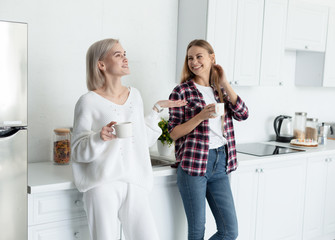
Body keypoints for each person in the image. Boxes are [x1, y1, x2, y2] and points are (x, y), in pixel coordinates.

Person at [71, 38, 187, 240]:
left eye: (124, 54)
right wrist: (99, 137)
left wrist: (157, 109)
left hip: (135, 181)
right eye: (118, 55)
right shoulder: (87, 101)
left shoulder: (135, 96)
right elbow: (77, 150)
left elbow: (142, 138)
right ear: (101, 64)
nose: (125, 58)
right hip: (102, 184)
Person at [168, 39, 249, 240]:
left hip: (220, 162)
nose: (194, 62)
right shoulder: (182, 91)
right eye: (190, 58)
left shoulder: (219, 90)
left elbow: (243, 114)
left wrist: (224, 83)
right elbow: (173, 133)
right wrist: (200, 116)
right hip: (194, 164)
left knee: (229, 232)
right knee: (197, 231)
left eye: (199, 56)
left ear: (212, 58)